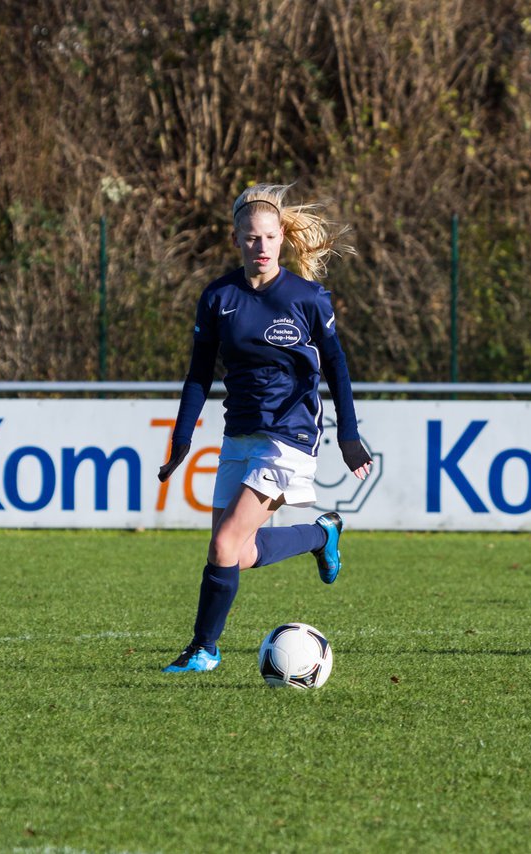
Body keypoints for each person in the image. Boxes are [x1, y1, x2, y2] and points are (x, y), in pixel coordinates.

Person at [157, 183, 373, 673]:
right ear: (236, 239)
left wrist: (348, 436)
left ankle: (204, 649)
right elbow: (198, 374)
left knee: (223, 546)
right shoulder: (219, 297)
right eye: (252, 238)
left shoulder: (308, 298)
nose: (261, 247)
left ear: (282, 239)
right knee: (237, 551)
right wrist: (182, 441)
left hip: (290, 434)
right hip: (240, 433)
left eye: (270, 237)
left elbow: (336, 368)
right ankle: (321, 535)